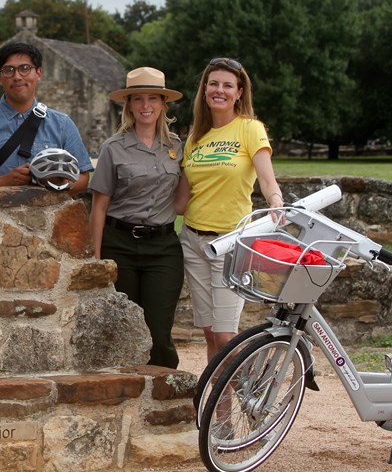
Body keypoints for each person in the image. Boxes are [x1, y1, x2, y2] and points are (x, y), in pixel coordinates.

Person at [175, 57, 284, 365]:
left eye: (227, 85)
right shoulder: (196, 138)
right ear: (204, 89)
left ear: (239, 93)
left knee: (225, 336)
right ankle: (219, 413)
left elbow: (267, 180)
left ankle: (255, 396)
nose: (219, 90)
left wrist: (276, 202)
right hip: (193, 242)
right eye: (213, 84)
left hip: (230, 244)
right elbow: (180, 201)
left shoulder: (250, 129)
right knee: (209, 333)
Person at [88, 68, 184, 368]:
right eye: (138, 99)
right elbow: (99, 207)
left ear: (162, 104)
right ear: (128, 105)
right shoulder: (112, 148)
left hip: (163, 248)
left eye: (152, 98)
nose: (145, 105)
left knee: (159, 330)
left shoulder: (177, 148)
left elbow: (183, 201)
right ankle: (127, 398)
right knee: (125, 329)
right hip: (120, 246)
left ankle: (166, 398)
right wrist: (95, 258)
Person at [0, 42, 92, 191]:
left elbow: (82, 177)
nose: (17, 76)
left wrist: (54, 185)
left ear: (39, 73)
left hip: (49, 214)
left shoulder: (62, 124)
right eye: (9, 70)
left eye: (25, 69)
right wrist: (2, 181)